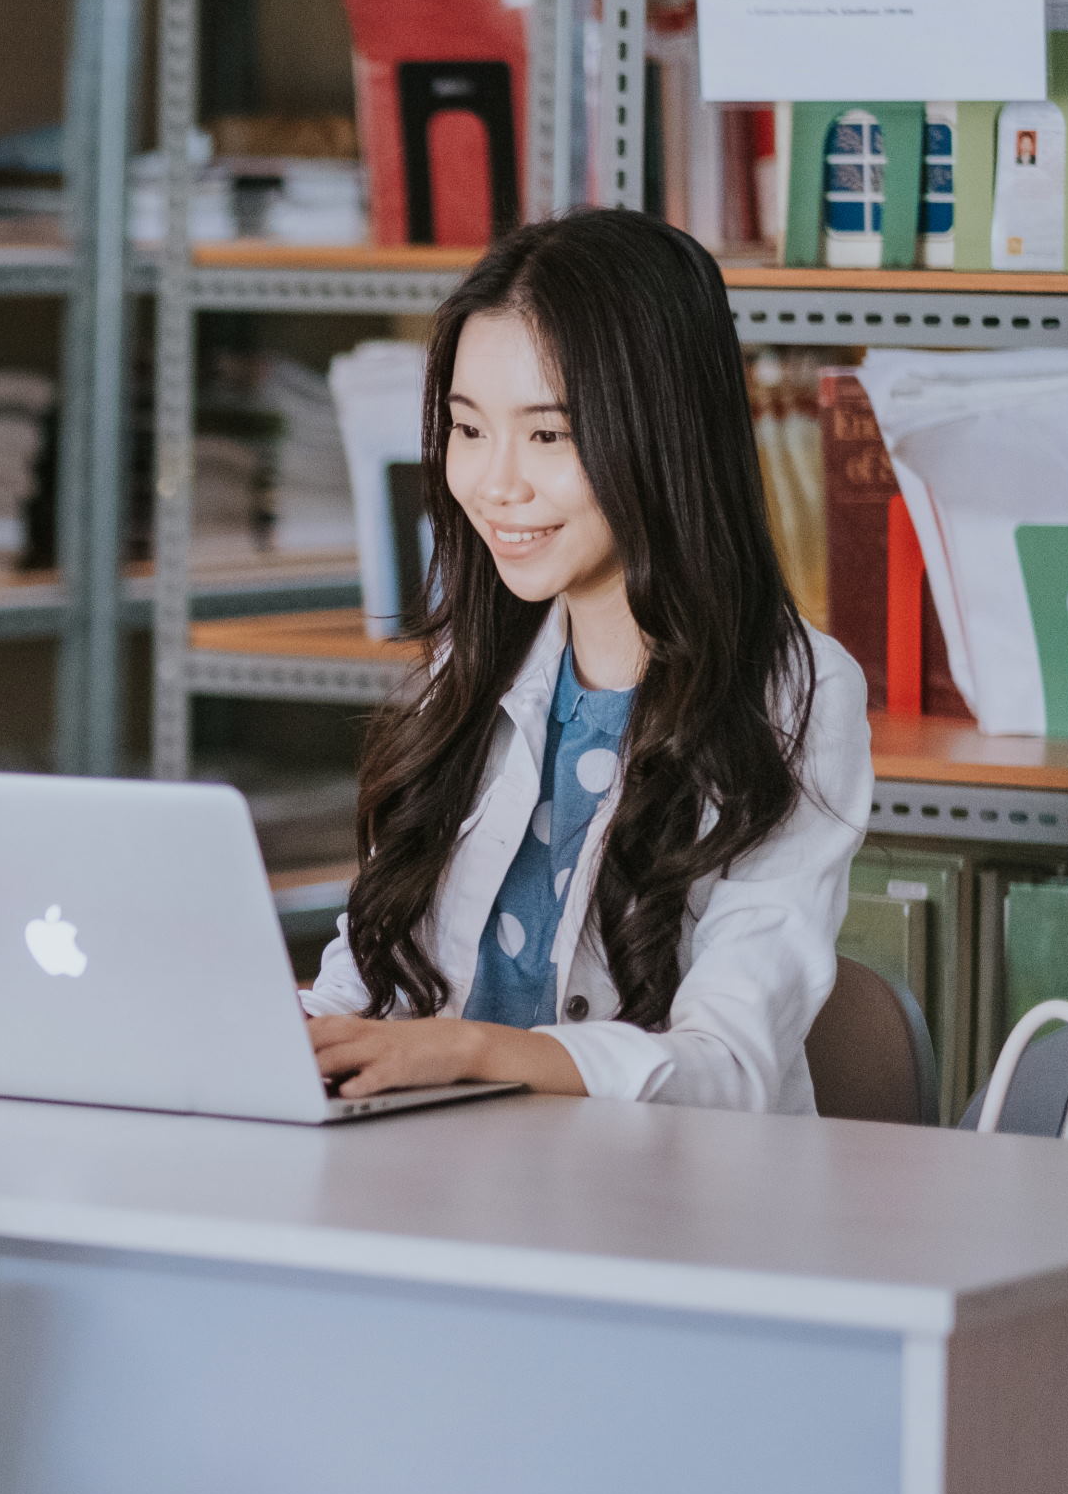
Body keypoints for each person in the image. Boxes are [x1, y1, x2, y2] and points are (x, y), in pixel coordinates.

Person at [302, 209, 871, 1113]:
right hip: (441, 1186)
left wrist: (476, 1049)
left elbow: (727, 1071)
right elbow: (369, 986)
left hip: (657, 1210)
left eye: (548, 436)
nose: (496, 485)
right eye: (468, 429)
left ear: (662, 433)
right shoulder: (471, 667)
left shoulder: (797, 694)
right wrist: (293, 1036)